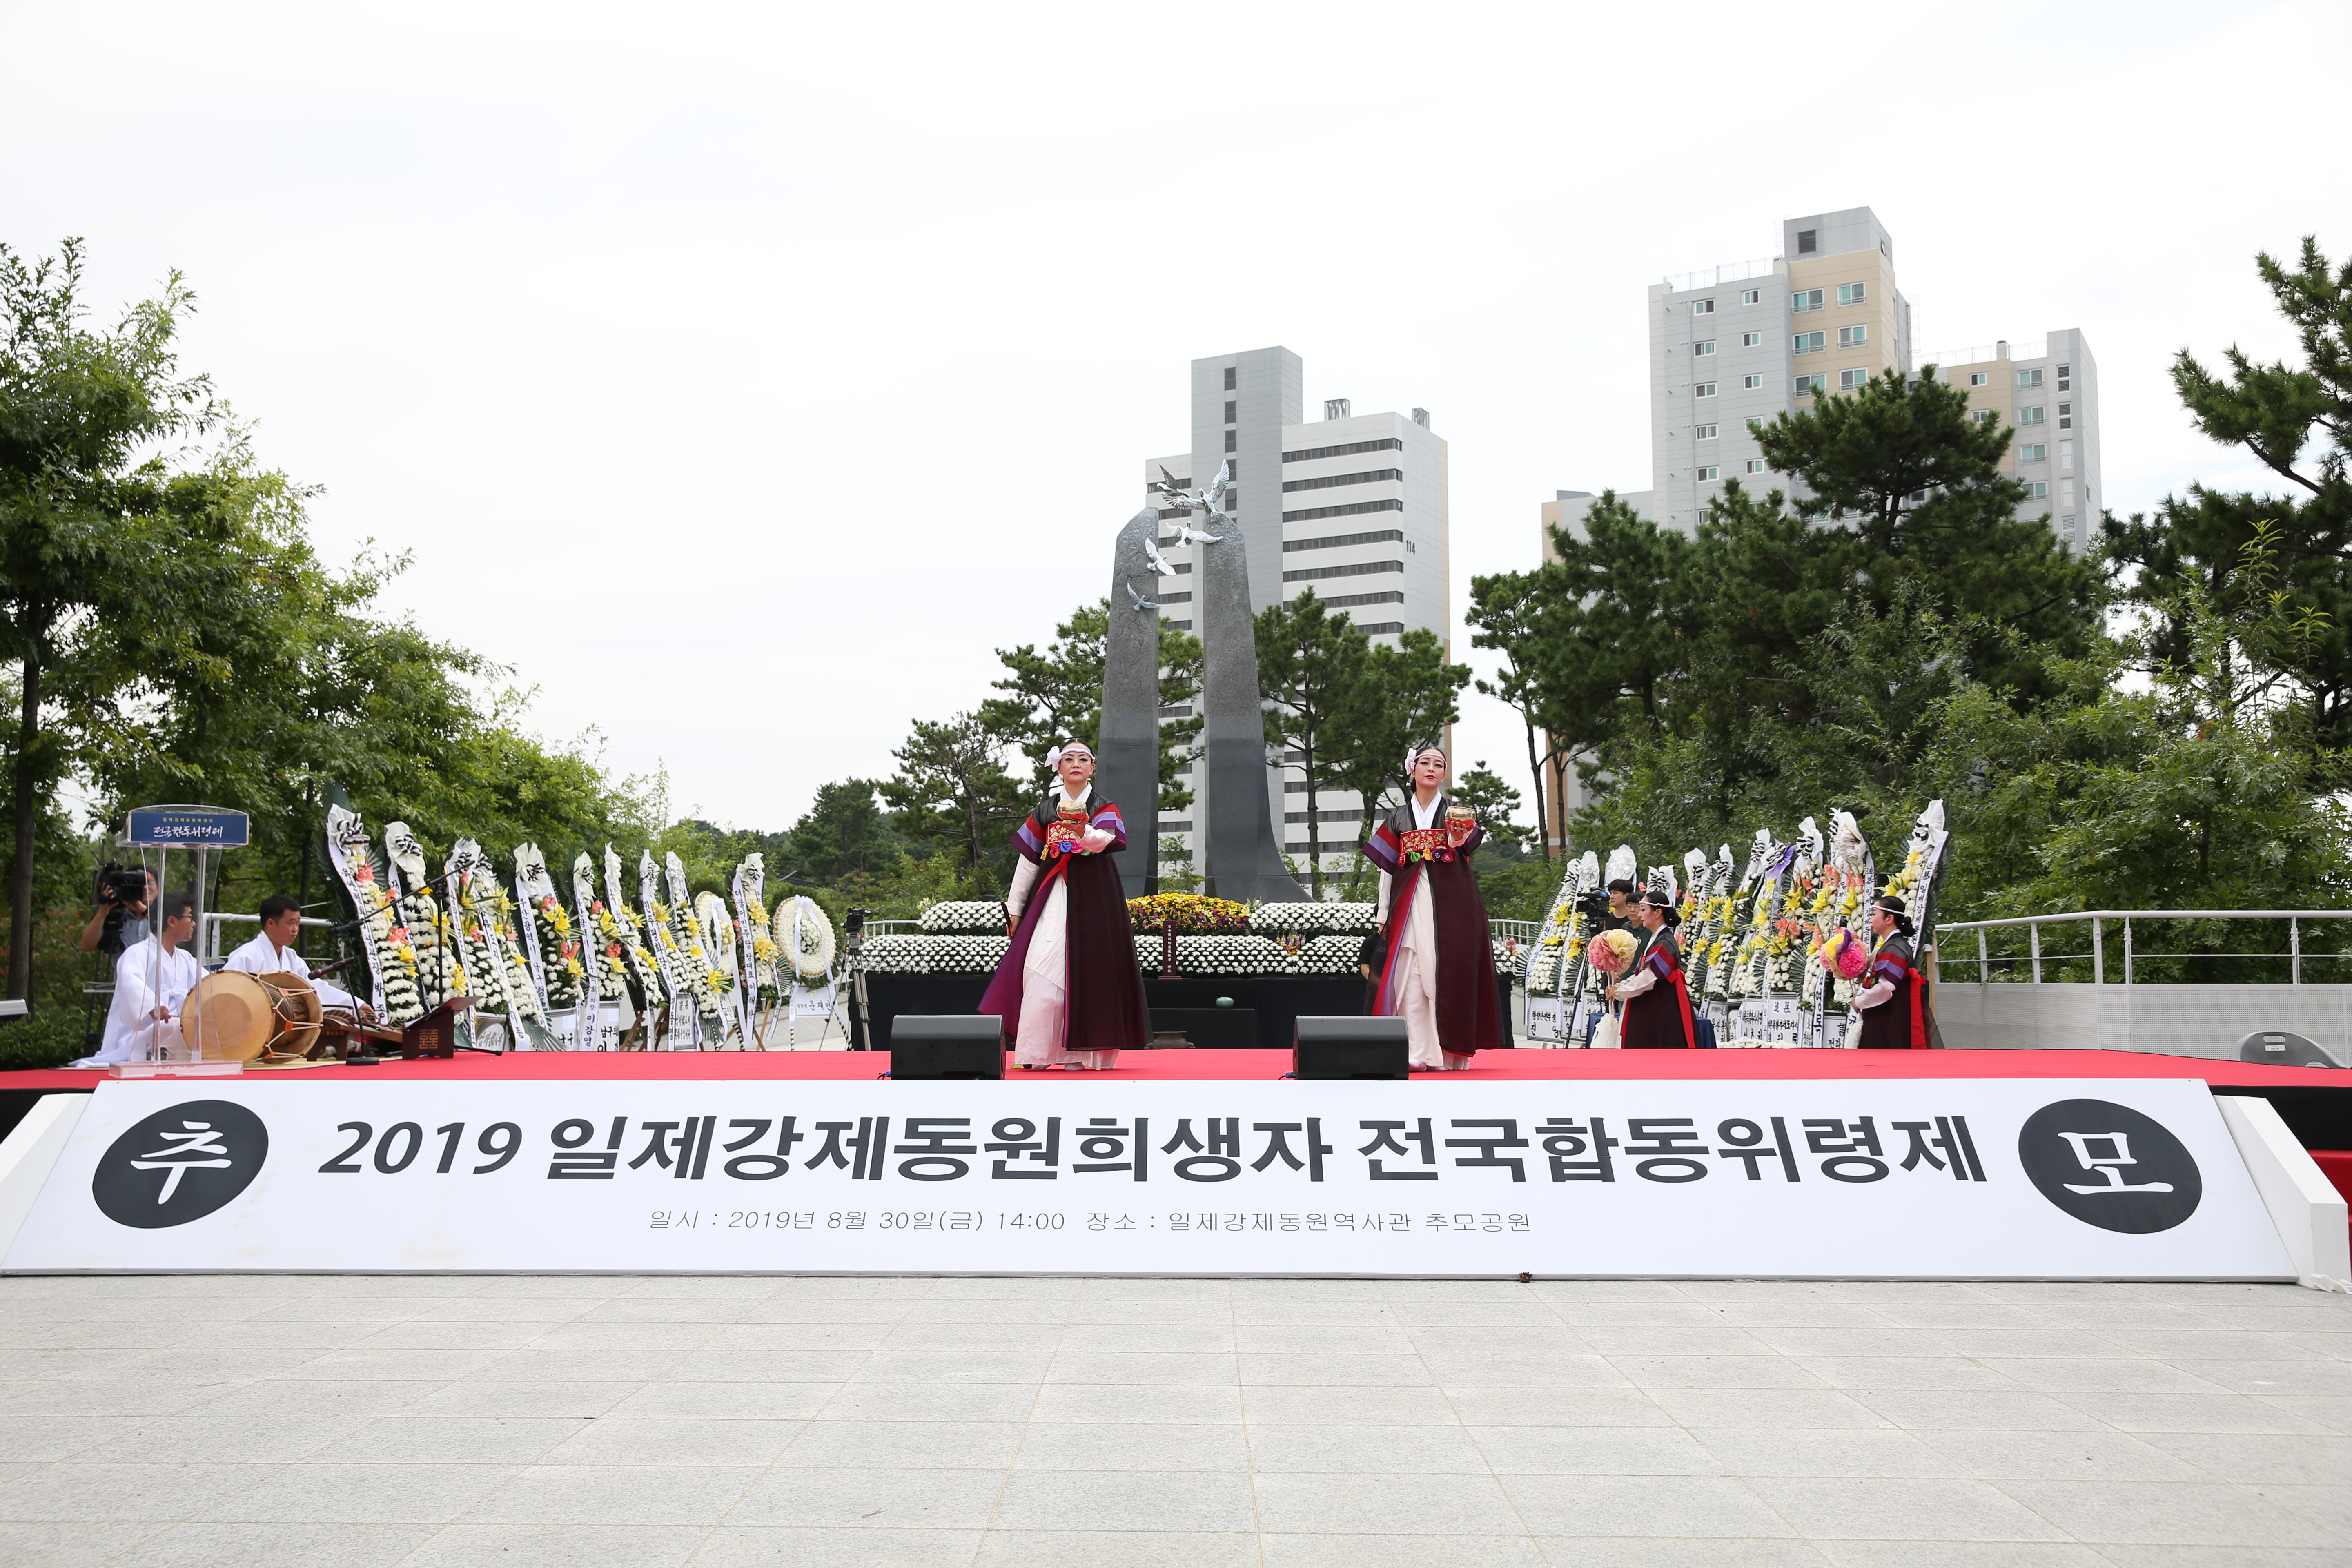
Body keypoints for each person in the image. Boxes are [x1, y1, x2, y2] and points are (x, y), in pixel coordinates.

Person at [979, 739, 1149, 1069]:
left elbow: (1104, 841)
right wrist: (1014, 909)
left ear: (1092, 768)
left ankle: (1082, 1054)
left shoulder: (1103, 807)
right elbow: (1028, 862)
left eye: (1083, 759)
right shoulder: (1045, 809)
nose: (1076, 764)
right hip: (1052, 891)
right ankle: (1039, 1052)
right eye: (1068, 759)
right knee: (1038, 966)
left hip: (1096, 895)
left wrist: (1081, 830)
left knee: (1094, 971)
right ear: (1058, 768)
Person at [1363, 743, 1501, 1070]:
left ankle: (1448, 1050)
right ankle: (1415, 1048)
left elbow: (1464, 847)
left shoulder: (1457, 813)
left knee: (1447, 969)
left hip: (1453, 904)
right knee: (1408, 969)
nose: (1431, 768)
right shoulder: (1397, 816)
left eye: (1439, 764)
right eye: (1424, 762)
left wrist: (1457, 837)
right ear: (1412, 770)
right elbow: (1388, 870)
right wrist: (1383, 913)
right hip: (1407, 901)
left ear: (1443, 774)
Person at [71, 893, 200, 1067]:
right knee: (176, 1028)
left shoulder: (186, 958)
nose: (193, 923)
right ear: (172, 921)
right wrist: (153, 1006)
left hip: (173, 1024)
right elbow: (132, 985)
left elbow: (209, 985)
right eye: (190, 917)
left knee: (196, 1028)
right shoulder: (137, 954)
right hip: (141, 1030)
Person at [223, 895, 370, 1017]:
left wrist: (356, 1004)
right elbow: (226, 996)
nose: (296, 930)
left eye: (298, 923)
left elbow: (315, 990)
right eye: (291, 923)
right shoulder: (246, 956)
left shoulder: (292, 958)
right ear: (271, 924)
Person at [1609, 888, 1698, 1049]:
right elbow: (1640, 973)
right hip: (1651, 1003)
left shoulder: (1665, 943)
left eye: (1643, 909)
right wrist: (1620, 987)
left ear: (1658, 913)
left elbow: (1648, 979)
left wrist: (1620, 992)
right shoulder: (1656, 939)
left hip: (1661, 1005)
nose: (1640, 914)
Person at [1854, 893, 1935, 1049]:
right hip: (1892, 1011)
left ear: (1889, 919)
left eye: (1873, 914)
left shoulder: (1894, 948)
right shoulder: (1893, 945)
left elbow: (1886, 987)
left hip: (1891, 1014)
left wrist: (1859, 1001)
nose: (1870, 920)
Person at [77, 869, 155, 955]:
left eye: (149, 883)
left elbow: (168, 935)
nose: (145, 888)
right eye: (140, 884)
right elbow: (87, 946)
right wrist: (102, 912)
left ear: (159, 889)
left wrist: (144, 911)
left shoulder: (167, 918)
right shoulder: (117, 919)